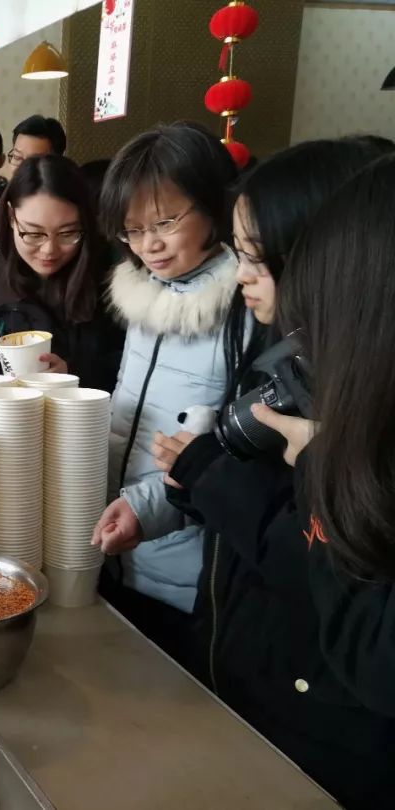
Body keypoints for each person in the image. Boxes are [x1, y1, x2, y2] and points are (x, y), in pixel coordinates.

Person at [148, 139, 395, 810]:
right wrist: (197, 489)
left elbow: (308, 556)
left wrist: (222, 478)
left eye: (255, 258)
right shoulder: (291, 357)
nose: (242, 277)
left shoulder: (362, 402)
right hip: (241, 668)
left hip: (324, 727)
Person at [90, 122, 239, 661]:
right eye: (132, 230)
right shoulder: (146, 298)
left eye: (166, 221)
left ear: (215, 205)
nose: (148, 244)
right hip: (120, 545)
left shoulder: (243, 308)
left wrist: (149, 506)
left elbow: (232, 448)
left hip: (190, 570)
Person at [0, 155, 122, 389]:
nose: (49, 250)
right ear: (12, 217)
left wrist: (73, 373)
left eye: (67, 234)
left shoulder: (110, 285)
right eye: (34, 234)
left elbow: (131, 370)